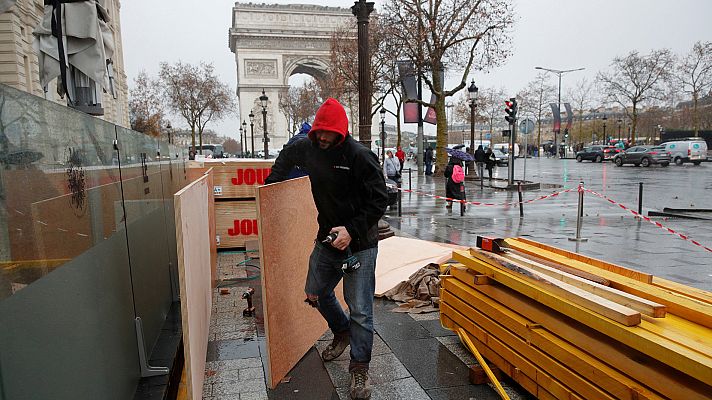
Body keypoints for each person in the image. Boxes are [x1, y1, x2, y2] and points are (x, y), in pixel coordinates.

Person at [264, 98, 388, 400]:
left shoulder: (360, 156)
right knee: (315, 292)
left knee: (360, 309)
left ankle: (359, 367)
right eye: (318, 131)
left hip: (359, 243)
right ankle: (341, 331)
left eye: (327, 133)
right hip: (328, 238)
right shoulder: (307, 147)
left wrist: (352, 230)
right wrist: (270, 188)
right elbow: (286, 155)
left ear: (341, 132)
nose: (321, 137)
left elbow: (380, 199)